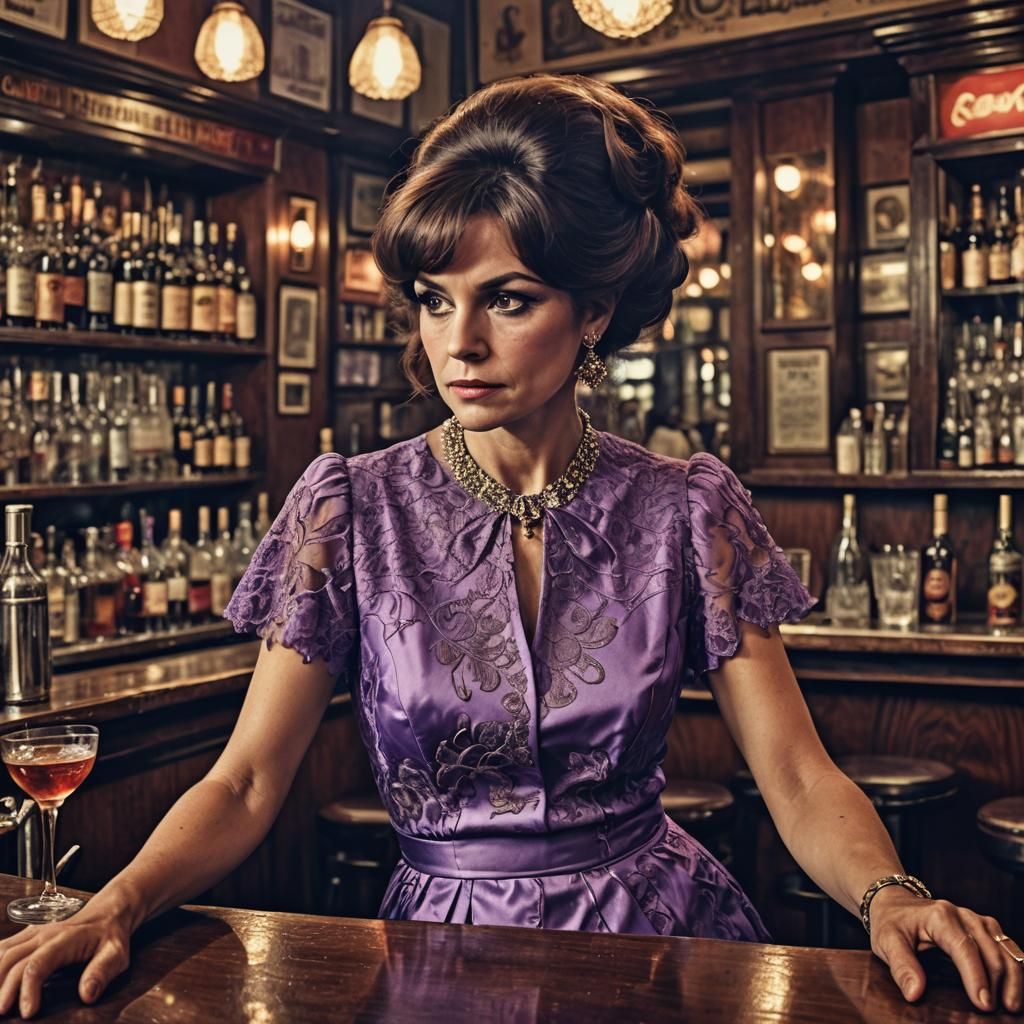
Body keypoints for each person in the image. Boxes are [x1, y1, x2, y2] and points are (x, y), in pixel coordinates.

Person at [0, 74, 1019, 1020]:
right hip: (435, 950)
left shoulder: (685, 508)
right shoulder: (349, 509)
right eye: (436, 299)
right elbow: (246, 780)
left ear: (596, 311)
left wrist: (890, 898)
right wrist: (116, 902)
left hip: (659, 939)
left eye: (509, 297)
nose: (459, 342)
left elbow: (796, 775)